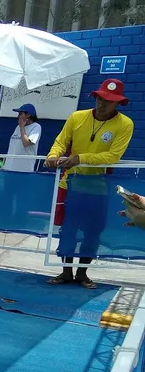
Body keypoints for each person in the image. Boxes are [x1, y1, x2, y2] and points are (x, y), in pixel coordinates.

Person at [45, 79, 134, 289]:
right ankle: (66, 272)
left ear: (118, 103)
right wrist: (53, 154)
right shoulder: (77, 117)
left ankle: (82, 274)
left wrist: (80, 158)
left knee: (93, 231)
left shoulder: (125, 124)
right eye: (99, 98)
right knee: (67, 229)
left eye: (108, 101)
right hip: (70, 184)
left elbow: (112, 156)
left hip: (98, 186)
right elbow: (61, 141)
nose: (102, 104)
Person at [5, 103, 42, 173]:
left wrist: (22, 127)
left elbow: (26, 143)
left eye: (20, 114)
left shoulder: (36, 127)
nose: (18, 116)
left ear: (28, 115)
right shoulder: (17, 127)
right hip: (9, 168)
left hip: (23, 169)